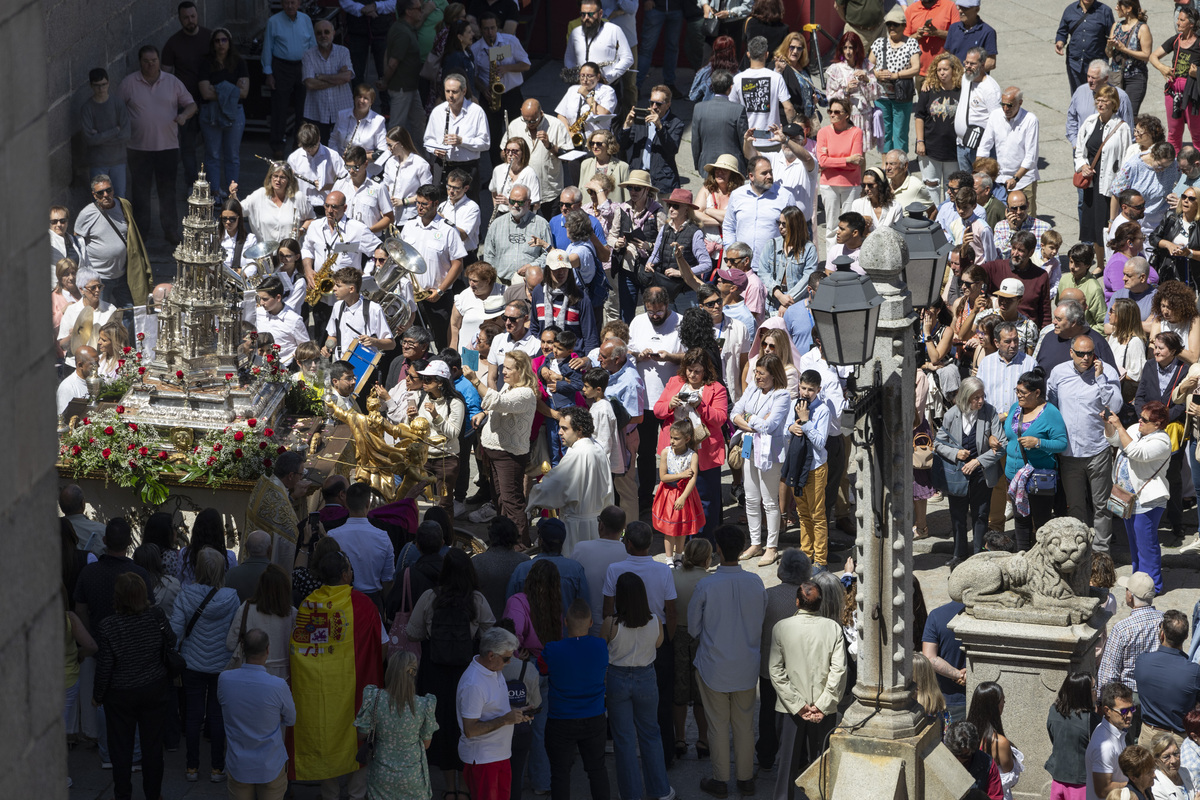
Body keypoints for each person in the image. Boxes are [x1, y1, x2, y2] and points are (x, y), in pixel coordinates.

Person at [689, 525, 766, 798]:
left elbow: (693, 629)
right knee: (744, 724)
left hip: (714, 667)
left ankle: (720, 780)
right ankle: (745, 779)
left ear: (718, 549)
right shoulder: (755, 582)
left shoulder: (707, 584)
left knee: (717, 725)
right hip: (746, 666)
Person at [93, 573, 174, 800]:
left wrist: (98, 695)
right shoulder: (155, 616)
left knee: (121, 749)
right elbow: (171, 639)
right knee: (153, 747)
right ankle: (153, 794)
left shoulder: (108, 626)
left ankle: (123, 794)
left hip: (120, 693)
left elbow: (105, 666)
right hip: (154, 687)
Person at [769, 581, 847, 800]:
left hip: (789, 710)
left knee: (786, 767)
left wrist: (798, 705)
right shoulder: (832, 628)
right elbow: (839, 670)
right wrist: (822, 705)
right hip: (823, 710)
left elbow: (775, 671)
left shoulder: (781, 627)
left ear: (797, 601)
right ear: (820, 604)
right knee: (822, 765)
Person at [602, 572, 674, 800]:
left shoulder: (610, 623)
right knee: (651, 734)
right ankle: (660, 789)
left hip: (617, 679)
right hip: (646, 678)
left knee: (623, 740)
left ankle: (631, 794)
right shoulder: (655, 620)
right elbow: (659, 643)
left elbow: (601, 647)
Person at [171, 547, 241, 782]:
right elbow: (235, 632)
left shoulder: (185, 594)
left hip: (192, 663)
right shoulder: (231, 597)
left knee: (192, 715)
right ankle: (217, 768)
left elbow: (176, 631)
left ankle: (192, 767)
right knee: (217, 715)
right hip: (221, 665)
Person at [121, 44, 197, 245]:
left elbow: (192, 104)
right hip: (138, 149)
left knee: (167, 191)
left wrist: (183, 115)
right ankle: (141, 233)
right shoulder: (129, 83)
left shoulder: (172, 82)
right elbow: (118, 109)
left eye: (154, 61)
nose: (150, 65)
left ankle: (170, 230)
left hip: (167, 148)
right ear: (140, 62)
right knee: (140, 193)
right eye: (146, 61)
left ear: (159, 61)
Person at [463, 350, 537, 546]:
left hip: (509, 456)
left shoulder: (525, 393)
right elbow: (497, 404)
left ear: (521, 371)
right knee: (499, 500)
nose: (503, 372)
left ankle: (521, 545)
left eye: (509, 369)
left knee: (511, 501)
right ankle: (503, 539)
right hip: (494, 453)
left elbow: (500, 402)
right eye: (503, 367)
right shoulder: (510, 387)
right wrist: (484, 413)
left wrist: (475, 380)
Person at [541, 598, 609, 800]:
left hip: (561, 720)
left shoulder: (552, 650)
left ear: (565, 622)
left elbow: (542, 669)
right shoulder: (601, 647)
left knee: (560, 774)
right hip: (594, 718)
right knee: (597, 770)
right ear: (590, 623)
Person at [933, 377, 1005, 566]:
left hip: (982, 473)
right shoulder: (951, 415)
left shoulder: (989, 412)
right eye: (976, 397)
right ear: (965, 397)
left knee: (981, 514)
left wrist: (977, 462)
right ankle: (959, 553)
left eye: (982, 396)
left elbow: (1002, 445)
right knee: (957, 514)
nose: (980, 401)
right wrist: (956, 453)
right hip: (958, 475)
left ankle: (978, 553)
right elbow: (938, 443)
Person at [217, 628, 296, 800]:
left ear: (243, 648)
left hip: (238, 764)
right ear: (268, 649)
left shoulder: (224, 679)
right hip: (270, 764)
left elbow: (224, 705)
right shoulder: (278, 685)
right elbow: (291, 719)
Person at [454, 625, 529, 800]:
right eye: (506, 658)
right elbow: (470, 730)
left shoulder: (494, 670)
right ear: (491, 655)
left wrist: (516, 712)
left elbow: (495, 709)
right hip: (483, 759)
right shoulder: (473, 684)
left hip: (499, 754)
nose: (509, 662)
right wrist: (505, 720)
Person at [527, 406, 615, 555]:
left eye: (564, 428)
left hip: (577, 527)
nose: (559, 432)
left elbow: (555, 487)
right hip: (598, 525)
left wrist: (534, 495)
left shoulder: (576, 454)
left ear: (579, 429)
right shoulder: (597, 448)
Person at [731, 354, 792, 566]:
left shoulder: (782, 395)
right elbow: (734, 413)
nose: (757, 377)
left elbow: (771, 426)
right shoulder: (752, 389)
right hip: (750, 446)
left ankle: (772, 546)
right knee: (751, 498)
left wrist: (746, 418)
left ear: (774, 375)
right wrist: (751, 421)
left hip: (770, 453)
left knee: (769, 501)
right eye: (756, 372)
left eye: (761, 374)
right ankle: (755, 543)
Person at [1105, 402, 1172, 592]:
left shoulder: (1162, 441)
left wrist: (1119, 425)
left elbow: (1135, 452)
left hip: (1148, 500)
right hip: (1128, 498)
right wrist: (1108, 423)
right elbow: (1113, 440)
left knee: (1146, 545)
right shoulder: (1135, 428)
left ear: (1158, 424)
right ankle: (1138, 580)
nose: (1140, 421)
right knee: (1134, 543)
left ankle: (1153, 587)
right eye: (1140, 417)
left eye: (1145, 419)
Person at [72, 176, 152, 309]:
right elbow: (77, 242)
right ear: (94, 195)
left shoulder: (123, 206)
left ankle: (127, 331)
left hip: (123, 274)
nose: (105, 195)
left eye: (108, 190)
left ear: (113, 190)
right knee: (99, 313)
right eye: (100, 193)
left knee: (129, 310)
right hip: (99, 277)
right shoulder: (87, 214)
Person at [1075, 85, 1132, 260]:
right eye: (1098, 100)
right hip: (1091, 183)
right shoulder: (1090, 122)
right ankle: (1100, 263)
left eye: (1104, 101)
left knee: (1107, 227)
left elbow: (1126, 160)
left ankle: (1112, 262)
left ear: (1113, 103)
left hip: (1109, 185)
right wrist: (1082, 166)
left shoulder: (1122, 128)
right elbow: (1079, 151)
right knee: (1092, 227)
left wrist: (1121, 187)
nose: (1100, 104)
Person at [197, 28, 249, 202]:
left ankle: (232, 192)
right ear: (213, 44)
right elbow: (205, 93)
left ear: (229, 42)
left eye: (224, 40)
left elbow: (245, 92)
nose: (221, 44)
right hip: (211, 113)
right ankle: (214, 192)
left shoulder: (239, 62)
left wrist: (217, 88)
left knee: (232, 155)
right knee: (212, 154)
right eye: (217, 41)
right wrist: (232, 88)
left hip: (234, 114)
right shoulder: (206, 63)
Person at [262, 0, 315, 157]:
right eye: (286, 3)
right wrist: (268, 73)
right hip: (281, 67)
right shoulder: (273, 21)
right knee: (279, 107)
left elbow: (312, 45)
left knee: (304, 108)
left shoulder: (306, 20)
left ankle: (300, 144)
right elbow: (267, 47)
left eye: (293, 2)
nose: (290, 6)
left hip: (303, 66)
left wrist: (313, 69)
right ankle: (277, 145)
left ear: (298, 3)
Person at [816, 98, 866, 256]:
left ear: (847, 115)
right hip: (828, 184)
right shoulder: (823, 132)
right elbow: (822, 160)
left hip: (851, 183)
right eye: (830, 111)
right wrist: (847, 159)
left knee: (850, 225)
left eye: (837, 112)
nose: (832, 114)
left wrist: (832, 162)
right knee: (831, 226)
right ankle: (832, 260)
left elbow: (855, 163)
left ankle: (850, 258)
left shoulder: (856, 132)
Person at [424, 74, 490, 189]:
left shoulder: (476, 112)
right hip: (443, 167)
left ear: (464, 91)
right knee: (441, 204)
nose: (450, 95)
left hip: (467, 168)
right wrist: (435, 150)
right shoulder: (438, 111)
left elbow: (485, 144)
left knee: (469, 204)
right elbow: (428, 140)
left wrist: (462, 141)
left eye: (454, 92)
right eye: (447, 91)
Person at [871, 7, 923, 154]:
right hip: (881, 96)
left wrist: (896, 75)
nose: (891, 27)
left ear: (904, 26)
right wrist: (877, 74)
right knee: (885, 131)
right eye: (889, 24)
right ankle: (886, 163)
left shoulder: (911, 43)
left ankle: (901, 164)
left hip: (902, 96)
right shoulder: (879, 43)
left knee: (900, 132)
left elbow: (916, 68)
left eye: (895, 24)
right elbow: (868, 66)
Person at [1149, 7, 1200, 156]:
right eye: (1178, 19)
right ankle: (1175, 168)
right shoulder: (1176, 40)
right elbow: (1153, 56)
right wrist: (1162, 68)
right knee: (1174, 132)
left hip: (1192, 93)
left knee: (1197, 133)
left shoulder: (1198, 43)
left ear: (1191, 24)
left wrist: (1197, 73)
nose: (1177, 22)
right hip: (1174, 92)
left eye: (1181, 20)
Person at [618, 85, 685, 194]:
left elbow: (672, 150)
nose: (654, 107)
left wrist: (660, 127)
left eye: (658, 104)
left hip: (661, 179)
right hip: (638, 176)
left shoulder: (676, 123)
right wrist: (626, 127)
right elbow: (622, 145)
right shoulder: (641, 119)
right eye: (651, 102)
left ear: (668, 105)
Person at [1046, 672, 1102, 800]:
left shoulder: (1054, 710)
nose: (1096, 691)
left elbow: (1053, 737)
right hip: (1081, 784)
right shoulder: (1091, 719)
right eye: (1094, 687)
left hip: (1057, 777)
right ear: (1083, 693)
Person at [80, 69, 131, 198]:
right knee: (101, 201)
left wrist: (99, 137)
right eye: (97, 85)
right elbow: (89, 140)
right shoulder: (87, 108)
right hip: (98, 163)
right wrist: (115, 131)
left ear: (108, 83)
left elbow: (125, 135)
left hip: (118, 161)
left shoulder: (118, 104)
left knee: (119, 199)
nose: (101, 88)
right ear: (91, 86)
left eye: (104, 84)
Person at [967, 682, 1021, 799]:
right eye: (1002, 700)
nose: (1004, 703)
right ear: (994, 706)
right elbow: (1011, 780)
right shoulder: (1000, 743)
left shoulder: (965, 734)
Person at [731, 36, 795, 135]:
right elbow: (789, 108)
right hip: (772, 138)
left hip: (748, 139)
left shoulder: (737, 79)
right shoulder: (776, 78)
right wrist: (792, 130)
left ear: (748, 54)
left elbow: (732, 110)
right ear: (766, 54)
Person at [954, 48, 1002, 170]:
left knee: (981, 184)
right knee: (965, 185)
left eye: (973, 64)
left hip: (979, 149)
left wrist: (983, 150)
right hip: (961, 144)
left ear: (982, 64)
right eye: (966, 62)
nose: (968, 66)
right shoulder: (966, 78)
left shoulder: (990, 89)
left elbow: (997, 121)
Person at [1056, 0, 1117, 95]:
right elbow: (1062, 31)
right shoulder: (1070, 10)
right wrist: (1060, 42)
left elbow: (1112, 35)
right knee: (1078, 95)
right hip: (1075, 63)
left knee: (1098, 96)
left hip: (1096, 65)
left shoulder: (1105, 11)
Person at [923, 598, 968, 722]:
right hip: (982, 694)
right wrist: (969, 675)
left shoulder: (936, 615)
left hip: (946, 697)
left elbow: (930, 658)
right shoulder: (984, 615)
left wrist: (957, 674)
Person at [1109, 0, 1152, 114]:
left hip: (1135, 77)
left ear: (1128, 9)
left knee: (1130, 114)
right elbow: (1109, 54)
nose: (1116, 8)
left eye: (1119, 6)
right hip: (1115, 76)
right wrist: (1109, 47)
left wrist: (1124, 50)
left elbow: (1146, 55)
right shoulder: (1116, 26)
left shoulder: (1142, 28)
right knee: (1113, 114)